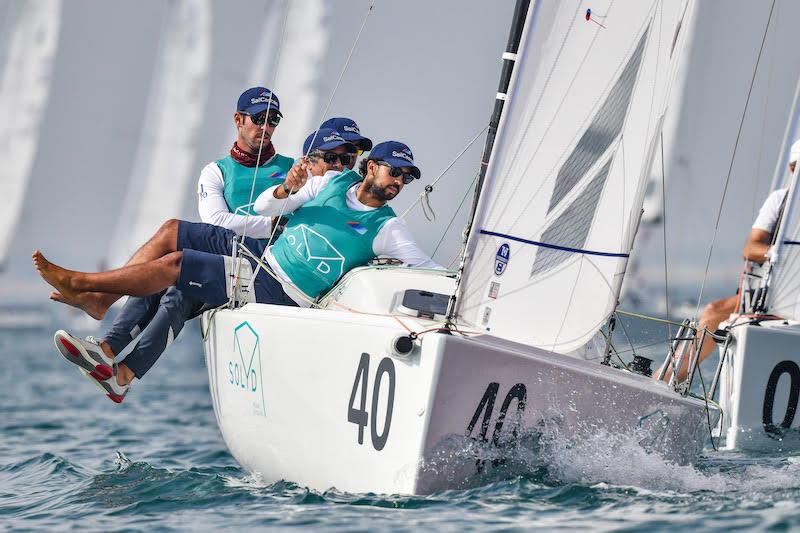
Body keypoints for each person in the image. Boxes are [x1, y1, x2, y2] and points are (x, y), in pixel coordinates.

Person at [34, 140, 440, 402]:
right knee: (181, 293)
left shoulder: (387, 227)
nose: (399, 183)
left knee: (175, 265)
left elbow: (427, 269)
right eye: (394, 172)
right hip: (260, 268)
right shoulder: (329, 185)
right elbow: (266, 207)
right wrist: (288, 189)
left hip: (282, 292)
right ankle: (118, 369)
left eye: (406, 178)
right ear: (371, 168)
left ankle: (83, 284)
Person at [658, 141, 800, 382]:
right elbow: (750, 248)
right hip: (773, 297)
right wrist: (782, 253)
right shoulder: (781, 201)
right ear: (791, 168)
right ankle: (665, 383)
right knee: (714, 311)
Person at [197, 86, 294, 238]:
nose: (265, 127)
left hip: (277, 259)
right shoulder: (216, 171)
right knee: (171, 236)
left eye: (273, 120)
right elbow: (215, 222)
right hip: (232, 258)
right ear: (238, 120)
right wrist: (274, 224)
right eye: (259, 119)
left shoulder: (292, 168)